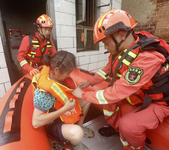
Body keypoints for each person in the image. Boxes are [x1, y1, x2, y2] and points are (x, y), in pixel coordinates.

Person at [72, 9, 169, 150]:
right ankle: (118, 130)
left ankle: (133, 144)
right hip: (140, 93)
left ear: (121, 35)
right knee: (109, 104)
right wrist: (90, 82)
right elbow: (107, 70)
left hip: (159, 102)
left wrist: (83, 95)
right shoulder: (121, 52)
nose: (105, 47)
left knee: (128, 125)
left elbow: (119, 90)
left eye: (105, 42)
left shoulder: (148, 57)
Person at [31, 51, 94, 150]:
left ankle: (80, 125)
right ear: (56, 70)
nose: (69, 76)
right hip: (53, 123)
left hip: (63, 108)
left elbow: (69, 92)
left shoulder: (57, 77)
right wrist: (65, 109)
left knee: (87, 100)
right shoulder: (44, 94)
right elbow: (36, 122)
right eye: (67, 73)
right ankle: (75, 143)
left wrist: (81, 93)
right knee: (77, 134)